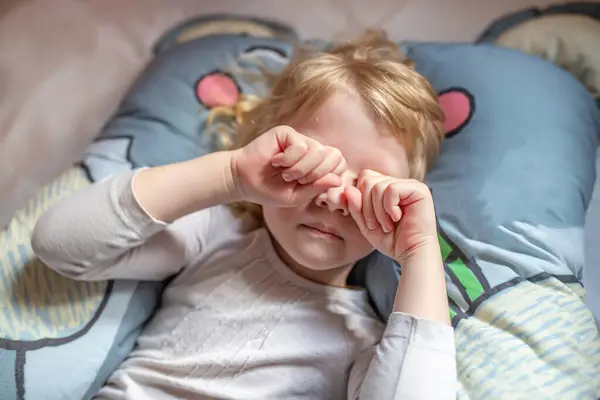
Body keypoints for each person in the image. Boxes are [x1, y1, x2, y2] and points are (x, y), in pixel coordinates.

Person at [32, 30, 456, 399]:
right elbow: (58, 244)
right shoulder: (217, 235)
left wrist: (419, 251)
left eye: (367, 183)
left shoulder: (366, 339)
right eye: (312, 164)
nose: (332, 198)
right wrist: (231, 173)